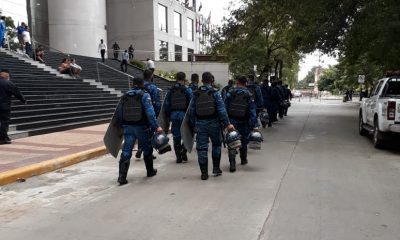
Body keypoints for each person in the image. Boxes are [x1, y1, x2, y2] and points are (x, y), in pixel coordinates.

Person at [115, 77, 163, 185]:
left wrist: (121, 126)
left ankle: (122, 177)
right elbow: (150, 113)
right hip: (142, 127)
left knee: (126, 150)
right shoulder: (145, 95)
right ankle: (150, 171)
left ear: (133, 84)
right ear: (142, 84)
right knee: (147, 149)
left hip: (128, 127)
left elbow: (118, 113)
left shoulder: (125, 95)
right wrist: (156, 126)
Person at [189, 72, 235, 180]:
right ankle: (216, 168)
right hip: (214, 123)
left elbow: (192, 111)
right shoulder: (215, 93)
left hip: (200, 124)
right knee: (216, 145)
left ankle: (204, 173)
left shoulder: (196, 93)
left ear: (202, 80)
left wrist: (193, 125)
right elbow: (221, 110)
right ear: (211, 80)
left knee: (202, 148)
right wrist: (227, 124)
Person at [225, 75, 258, 172]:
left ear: (237, 82)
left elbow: (225, 107)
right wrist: (254, 125)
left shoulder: (230, 93)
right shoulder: (249, 94)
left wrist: (226, 122)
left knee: (232, 141)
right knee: (244, 141)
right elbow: (252, 111)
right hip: (244, 122)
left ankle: (232, 164)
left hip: (232, 121)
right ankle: (243, 159)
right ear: (246, 83)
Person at [164, 72, 193, 163]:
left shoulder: (170, 90)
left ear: (176, 78)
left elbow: (167, 104)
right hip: (184, 115)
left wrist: (168, 116)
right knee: (187, 133)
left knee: (176, 136)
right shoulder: (187, 90)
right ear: (184, 79)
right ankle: (184, 150)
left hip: (174, 115)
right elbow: (191, 104)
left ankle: (178, 158)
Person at [135, 69, 161, 159]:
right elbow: (157, 102)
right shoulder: (153, 87)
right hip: (149, 112)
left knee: (140, 132)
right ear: (151, 76)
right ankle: (148, 152)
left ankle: (139, 148)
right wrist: (157, 115)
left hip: (138, 113)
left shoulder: (139, 85)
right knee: (150, 133)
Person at [0, 69, 26, 144]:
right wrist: (23, 100)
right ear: (7, 76)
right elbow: (17, 93)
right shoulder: (9, 83)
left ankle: (4, 137)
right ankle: (2, 138)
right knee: (4, 122)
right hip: (4, 107)